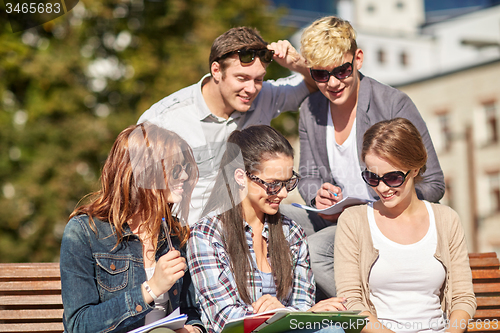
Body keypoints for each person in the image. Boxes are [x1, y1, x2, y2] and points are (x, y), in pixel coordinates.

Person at [280, 16, 445, 299]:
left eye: (342, 71)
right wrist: (316, 196)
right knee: (276, 218)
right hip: (334, 220)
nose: (332, 83)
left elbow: (434, 183)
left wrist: (386, 203)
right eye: (320, 75)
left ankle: (369, 318)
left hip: (385, 222)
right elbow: (306, 174)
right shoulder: (310, 109)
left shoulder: (393, 104)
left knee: (317, 250)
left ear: (358, 59)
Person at [137, 26, 317, 225]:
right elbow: (137, 191)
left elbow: (318, 84)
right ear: (216, 70)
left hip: (244, 233)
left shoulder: (265, 95)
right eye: (241, 78)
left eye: (259, 79)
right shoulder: (163, 119)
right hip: (183, 236)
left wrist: (298, 64)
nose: (251, 88)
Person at [187, 125, 346, 333]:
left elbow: (303, 303)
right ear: (240, 177)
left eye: (288, 183)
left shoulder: (292, 232)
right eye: (272, 184)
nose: (282, 194)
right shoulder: (207, 234)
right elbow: (223, 319)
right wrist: (281, 315)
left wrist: (288, 314)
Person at [60, 123, 206, 333]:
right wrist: (151, 288)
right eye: (175, 169)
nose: (184, 176)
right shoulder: (85, 232)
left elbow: (191, 310)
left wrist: (194, 329)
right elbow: (79, 325)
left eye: (186, 169)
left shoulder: (174, 234)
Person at [334, 118, 476, 333]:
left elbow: (463, 297)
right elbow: (351, 302)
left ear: (416, 169)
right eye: (372, 177)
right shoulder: (353, 221)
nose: (382, 188)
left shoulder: (446, 219)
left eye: (392, 178)